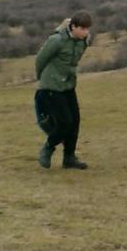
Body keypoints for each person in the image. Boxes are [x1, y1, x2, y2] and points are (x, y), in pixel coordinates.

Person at [34, 11, 93, 169]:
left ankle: (69, 158)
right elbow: (40, 59)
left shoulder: (84, 41)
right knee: (65, 122)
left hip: (68, 85)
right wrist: (43, 78)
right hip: (51, 86)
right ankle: (48, 148)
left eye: (87, 29)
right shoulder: (57, 40)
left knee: (75, 121)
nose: (86, 32)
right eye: (83, 28)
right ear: (73, 27)